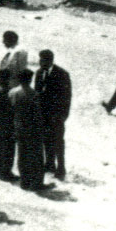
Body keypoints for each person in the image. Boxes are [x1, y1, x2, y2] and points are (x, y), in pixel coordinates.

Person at [34, 49, 72, 180]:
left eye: (42, 60)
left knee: (58, 142)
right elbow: (37, 93)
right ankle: (50, 164)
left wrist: (64, 115)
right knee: (46, 140)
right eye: (40, 59)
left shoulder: (62, 74)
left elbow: (67, 96)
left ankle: (61, 167)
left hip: (57, 115)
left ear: (49, 60)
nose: (40, 62)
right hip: (44, 114)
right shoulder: (39, 73)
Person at [9, 69, 45, 191]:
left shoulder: (12, 93)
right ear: (30, 79)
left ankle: (24, 181)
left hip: (18, 128)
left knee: (22, 155)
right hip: (32, 129)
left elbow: (9, 111)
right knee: (36, 156)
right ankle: (37, 182)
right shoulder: (34, 94)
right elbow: (37, 115)